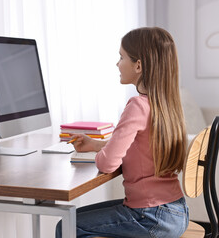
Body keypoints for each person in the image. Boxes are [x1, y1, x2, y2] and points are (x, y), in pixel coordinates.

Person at [55, 27, 189, 238]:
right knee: (71, 219)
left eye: (121, 57)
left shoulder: (138, 105)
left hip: (150, 216)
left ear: (138, 65)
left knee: (67, 227)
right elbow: (141, 147)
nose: (117, 63)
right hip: (175, 211)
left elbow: (107, 164)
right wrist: (96, 145)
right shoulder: (167, 105)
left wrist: (102, 154)